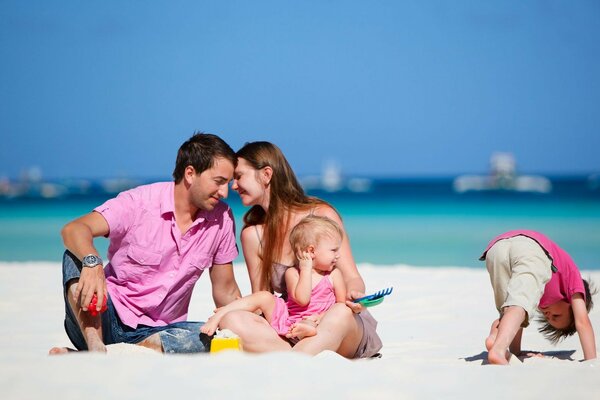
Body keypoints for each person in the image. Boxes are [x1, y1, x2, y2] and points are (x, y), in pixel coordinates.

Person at [49, 133, 242, 354]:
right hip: (102, 317)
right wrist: (93, 264)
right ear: (190, 173)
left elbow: (226, 290)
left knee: (222, 337)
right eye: (218, 182)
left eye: (227, 183)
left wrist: (249, 317)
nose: (225, 192)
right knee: (75, 256)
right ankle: (96, 347)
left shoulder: (222, 219)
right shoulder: (139, 202)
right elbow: (74, 229)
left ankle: (129, 350)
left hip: (163, 331)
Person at [218, 141, 382, 358]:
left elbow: (352, 277)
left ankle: (294, 359)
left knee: (340, 313)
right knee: (233, 320)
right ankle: (299, 355)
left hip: (337, 325)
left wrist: (354, 295)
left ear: (266, 174)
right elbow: (263, 297)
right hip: (295, 328)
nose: (234, 186)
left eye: (239, 176)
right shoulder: (253, 235)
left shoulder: (322, 215)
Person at [201, 215, 346, 340]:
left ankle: (303, 333)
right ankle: (222, 313)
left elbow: (341, 305)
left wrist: (321, 317)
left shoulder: (334, 275)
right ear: (311, 251)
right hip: (289, 319)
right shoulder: (293, 273)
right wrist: (306, 269)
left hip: (316, 322)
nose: (338, 255)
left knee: (309, 324)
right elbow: (302, 299)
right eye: (334, 250)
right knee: (264, 296)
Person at [481, 229, 596, 364]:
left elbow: (516, 319)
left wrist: (516, 352)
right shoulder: (573, 281)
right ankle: (498, 350)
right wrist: (591, 360)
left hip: (496, 248)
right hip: (532, 250)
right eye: (556, 315)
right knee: (519, 307)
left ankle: (494, 339)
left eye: (549, 318)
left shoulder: (538, 292)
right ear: (570, 303)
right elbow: (582, 321)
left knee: (509, 311)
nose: (548, 314)